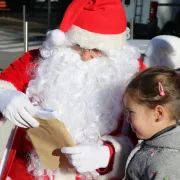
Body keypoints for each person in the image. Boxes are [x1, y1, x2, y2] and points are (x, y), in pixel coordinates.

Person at [0, 0, 145, 179]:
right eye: (77, 46)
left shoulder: (133, 73)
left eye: (96, 51)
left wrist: (107, 154)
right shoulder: (40, 60)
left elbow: (154, 133)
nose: (85, 56)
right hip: (27, 171)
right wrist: (4, 96)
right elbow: (5, 82)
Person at [123, 66, 180, 179]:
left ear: (158, 114)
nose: (127, 119)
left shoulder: (168, 164)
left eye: (131, 112)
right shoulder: (154, 144)